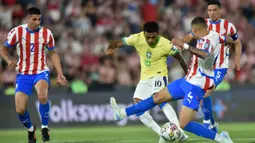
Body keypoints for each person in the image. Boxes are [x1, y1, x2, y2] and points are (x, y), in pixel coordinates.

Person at [110, 17, 234, 143]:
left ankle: (221, 139)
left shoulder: (207, 40)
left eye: (192, 33)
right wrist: (229, 44)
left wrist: (184, 45)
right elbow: (228, 39)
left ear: (195, 30)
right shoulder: (216, 35)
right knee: (157, 97)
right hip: (186, 81)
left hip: (196, 86)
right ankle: (122, 113)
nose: (191, 36)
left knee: (184, 124)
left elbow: (204, 54)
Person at [106, 21, 188, 143]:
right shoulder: (137, 38)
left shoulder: (165, 44)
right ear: (143, 34)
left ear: (158, 34)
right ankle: (162, 134)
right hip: (145, 78)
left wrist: (188, 73)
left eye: (153, 37)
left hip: (159, 75)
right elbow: (118, 42)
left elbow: (180, 58)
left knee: (160, 99)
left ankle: (180, 132)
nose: (150, 40)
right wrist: (111, 47)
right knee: (138, 105)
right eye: (147, 37)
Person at [0, 7, 67, 143]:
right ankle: (31, 129)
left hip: (41, 71)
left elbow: (53, 54)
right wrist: (8, 60)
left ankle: (45, 127)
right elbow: (3, 49)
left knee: (42, 96)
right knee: (20, 109)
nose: (37, 22)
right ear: (27, 18)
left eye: (39, 19)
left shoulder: (46, 33)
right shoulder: (17, 32)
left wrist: (60, 74)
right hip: (23, 73)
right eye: (34, 19)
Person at [182, 0, 242, 132]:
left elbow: (237, 42)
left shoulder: (228, 26)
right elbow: (189, 36)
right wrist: (181, 43)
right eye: (209, 10)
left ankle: (207, 121)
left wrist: (237, 59)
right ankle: (212, 122)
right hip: (206, 66)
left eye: (214, 10)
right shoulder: (204, 24)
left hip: (220, 65)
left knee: (208, 90)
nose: (212, 13)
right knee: (204, 91)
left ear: (220, 10)